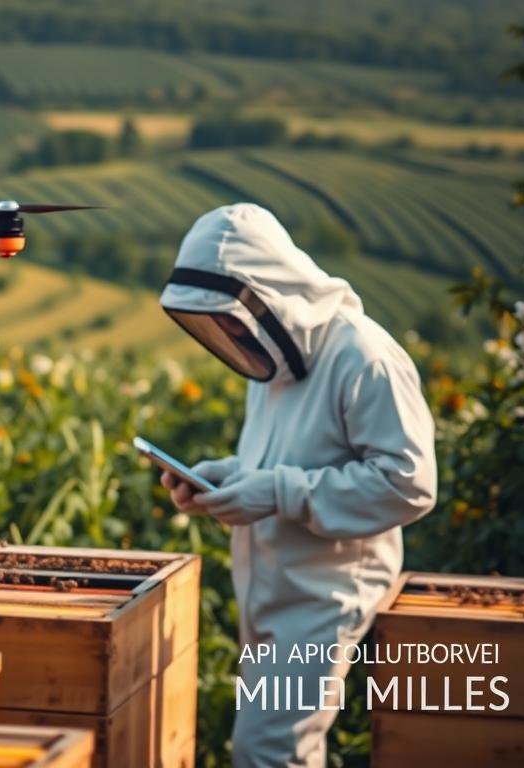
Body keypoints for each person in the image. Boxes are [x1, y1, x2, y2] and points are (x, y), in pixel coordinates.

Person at [158, 203, 437, 767]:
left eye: (234, 319)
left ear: (268, 294)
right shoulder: (272, 361)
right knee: (272, 748)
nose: (231, 335)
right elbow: (286, 461)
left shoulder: (365, 356)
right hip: (272, 588)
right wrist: (224, 476)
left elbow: (409, 483)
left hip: (326, 595)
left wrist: (279, 493)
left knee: (270, 751)